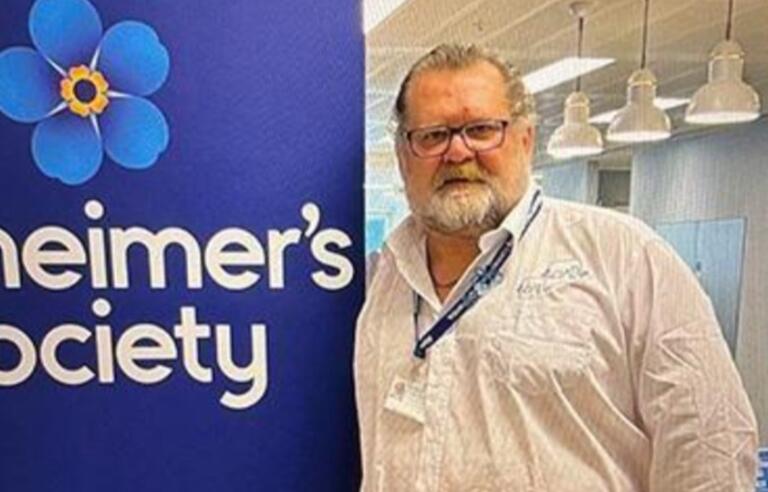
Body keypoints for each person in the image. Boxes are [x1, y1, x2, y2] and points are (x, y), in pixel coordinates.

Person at [354, 44, 758, 491]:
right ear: (403, 155)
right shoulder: (379, 282)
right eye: (433, 135)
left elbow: (710, 449)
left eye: (482, 129)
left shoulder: (625, 257)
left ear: (525, 140)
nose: (457, 151)